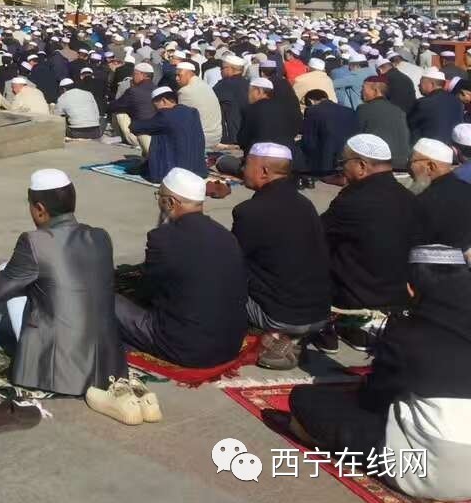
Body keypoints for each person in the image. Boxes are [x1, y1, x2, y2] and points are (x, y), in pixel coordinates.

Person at [289, 246, 471, 502]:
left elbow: (373, 400)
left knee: (305, 401)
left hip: (429, 470)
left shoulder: (408, 333)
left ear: (411, 288)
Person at [0, 169, 127, 405]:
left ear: (40, 210)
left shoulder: (34, 242)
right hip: (107, 365)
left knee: (9, 276)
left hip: (59, 372)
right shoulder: (100, 237)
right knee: (35, 279)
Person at [114, 167, 249, 368]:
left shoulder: (162, 238)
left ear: (170, 202)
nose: (158, 202)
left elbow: (148, 292)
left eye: (159, 196)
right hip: (231, 345)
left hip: (185, 348)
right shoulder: (226, 236)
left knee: (104, 299)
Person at [232, 143, 332, 370]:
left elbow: (232, 264)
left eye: (246, 164)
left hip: (281, 316)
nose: (242, 169)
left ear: (264, 171)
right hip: (319, 314)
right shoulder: (305, 205)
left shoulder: (250, 211)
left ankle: (276, 337)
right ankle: (290, 338)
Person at [315, 134, 415, 352]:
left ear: (361, 166)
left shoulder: (353, 200)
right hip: (397, 297)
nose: (341, 169)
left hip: (360, 299)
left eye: (343, 164)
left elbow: (317, 236)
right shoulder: (408, 197)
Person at [130, 87, 207, 183]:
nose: (156, 110)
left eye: (155, 106)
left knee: (147, 132)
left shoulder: (165, 115)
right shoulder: (193, 112)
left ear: (163, 101)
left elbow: (136, 128)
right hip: (198, 171)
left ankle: (153, 165)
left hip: (173, 174)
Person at [410, 138, 471, 252]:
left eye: (412, 162)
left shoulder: (423, 201)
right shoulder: (467, 189)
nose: (409, 168)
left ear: (430, 166)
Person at [297, 88, 359, 179]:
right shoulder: (349, 110)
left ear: (310, 101)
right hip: (347, 154)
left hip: (326, 161)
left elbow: (309, 140)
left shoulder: (313, 111)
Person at [358, 74, 411, 171]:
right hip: (402, 163)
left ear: (376, 91)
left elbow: (357, 137)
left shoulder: (364, 109)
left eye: (363, 88)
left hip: (380, 164)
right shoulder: (398, 110)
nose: (361, 92)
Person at [175, 61, 223, 147]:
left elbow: (182, 120)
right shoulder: (205, 85)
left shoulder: (185, 91)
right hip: (216, 137)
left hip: (202, 138)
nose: (177, 79)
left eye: (179, 75)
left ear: (189, 74)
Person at [409, 69, 462, 146]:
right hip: (451, 149)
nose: (418, 85)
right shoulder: (457, 101)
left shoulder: (424, 103)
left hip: (430, 149)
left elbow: (410, 124)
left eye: (421, 83)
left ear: (432, 84)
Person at [213, 55, 250, 146]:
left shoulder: (223, 85)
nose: (220, 71)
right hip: (248, 133)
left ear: (230, 69)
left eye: (222, 68)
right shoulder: (248, 84)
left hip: (231, 137)